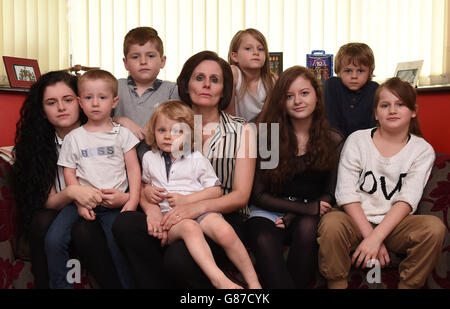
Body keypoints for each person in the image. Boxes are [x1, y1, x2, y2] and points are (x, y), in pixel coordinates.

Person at [113, 50, 257, 288]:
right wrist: (149, 203)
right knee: (125, 224)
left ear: (224, 89)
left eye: (215, 80)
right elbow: (154, 174)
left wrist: (194, 207)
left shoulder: (244, 132)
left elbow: (240, 195)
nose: (207, 85)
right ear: (187, 84)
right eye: (199, 78)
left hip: (220, 218)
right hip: (169, 211)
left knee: (178, 259)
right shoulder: (166, 123)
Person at [317, 77, 446, 289]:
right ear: (376, 113)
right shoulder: (357, 140)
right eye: (385, 105)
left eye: (400, 104)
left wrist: (378, 237)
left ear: (413, 111)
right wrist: (371, 237)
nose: (392, 110)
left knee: (434, 228)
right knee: (331, 225)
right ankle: (337, 284)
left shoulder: (422, 150)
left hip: (395, 225)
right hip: (353, 219)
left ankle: (408, 286)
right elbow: (346, 194)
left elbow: (407, 200)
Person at [11, 71, 123, 289]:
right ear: (42, 111)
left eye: (68, 100)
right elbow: (45, 202)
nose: (61, 107)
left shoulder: (110, 132)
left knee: (84, 230)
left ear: (80, 102)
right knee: (42, 220)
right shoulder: (35, 148)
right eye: (51, 102)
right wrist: (73, 192)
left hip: (104, 209)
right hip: (61, 213)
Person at [140, 100, 260, 289]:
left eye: (176, 131)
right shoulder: (149, 158)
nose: (168, 136)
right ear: (153, 132)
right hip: (170, 219)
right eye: (161, 130)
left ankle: (254, 283)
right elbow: (145, 183)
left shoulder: (196, 158)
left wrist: (187, 200)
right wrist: (148, 190)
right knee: (190, 229)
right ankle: (218, 279)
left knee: (225, 231)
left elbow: (215, 190)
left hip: (200, 211)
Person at [246, 66, 344, 288]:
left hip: (308, 213)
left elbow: (329, 193)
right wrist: (304, 208)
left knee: (307, 229)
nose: (297, 101)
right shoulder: (269, 137)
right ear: (281, 101)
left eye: (304, 93)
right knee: (263, 238)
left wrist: (298, 211)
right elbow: (259, 195)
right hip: (269, 210)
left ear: (317, 97)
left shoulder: (332, 139)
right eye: (289, 96)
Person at [46, 69, 140, 288]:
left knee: (117, 247)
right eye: (88, 98)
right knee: (54, 240)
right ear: (80, 102)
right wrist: (79, 202)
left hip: (114, 205)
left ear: (114, 101)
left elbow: (134, 169)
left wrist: (132, 199)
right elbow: (69, 171)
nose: (95, 103)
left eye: (102, 97)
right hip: (81, 202)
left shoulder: (122, 134)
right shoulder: (73, 138)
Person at [113, 26, 179, 141]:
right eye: (135, 57)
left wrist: (155, 123)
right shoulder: (115, 87)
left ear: (162, 61)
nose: (143, 62)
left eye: (150, 56)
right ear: (126, 63)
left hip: (160, 156)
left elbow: (182, 123)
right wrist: (120, 121)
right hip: (120, 157)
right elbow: (97, 120)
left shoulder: (172, 90)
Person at [323, 42, 379, 138]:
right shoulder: (332, 85)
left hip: (365, 142)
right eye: (348, 71)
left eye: (360, 71)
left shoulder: (373, 89)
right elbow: (331, 123)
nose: (354, 76)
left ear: (369, 72)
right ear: (339, 71)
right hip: (336, 142)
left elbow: (374, 126)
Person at [225, 28, 276, 121]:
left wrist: (254, 134)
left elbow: (265, 119)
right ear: (235, 56)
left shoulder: (271, 81)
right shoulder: (233, 74)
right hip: (234, 129)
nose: (256, 52)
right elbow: (228, 116)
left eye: (260, 49)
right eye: (248, 48)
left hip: (260, 130)